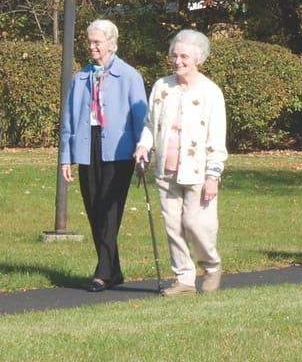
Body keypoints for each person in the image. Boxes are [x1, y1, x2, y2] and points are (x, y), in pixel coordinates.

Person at [133, 29, 227, 297]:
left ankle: (211, 266)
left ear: (199, 59)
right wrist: (143, 145)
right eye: (174, 55)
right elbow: (151, 124)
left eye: (184, 56)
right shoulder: (162, 87)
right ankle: (184, 279)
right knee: (173, 226)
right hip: (166, 169)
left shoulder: (211, 92)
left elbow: (216, 137)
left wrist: (213, 174)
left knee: (197, 224)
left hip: (198, 170)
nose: (178, 61)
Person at [58, 19, 149, 293]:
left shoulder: (129, 75)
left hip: (119, 150)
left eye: (97, 42)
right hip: (88, 146)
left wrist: (143, 151)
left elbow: (141, 118)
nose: (92, 46)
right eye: (90, 41)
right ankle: (114, 270)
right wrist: (65, 157)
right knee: (94, 208)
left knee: (110, 210)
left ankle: (102, 272)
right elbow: (69, 120)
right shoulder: (81, 77)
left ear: (111, 43)